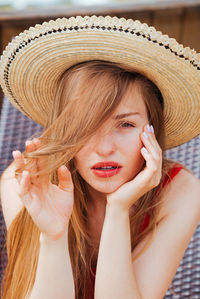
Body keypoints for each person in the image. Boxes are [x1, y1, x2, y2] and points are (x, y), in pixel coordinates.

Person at [0, 15, 200, 299]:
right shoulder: (23, 184)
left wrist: (118, 210)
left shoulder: (179, 191)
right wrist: (53, 237)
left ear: (151, 129)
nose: (104, 148)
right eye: (85, 126)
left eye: (125, 125)